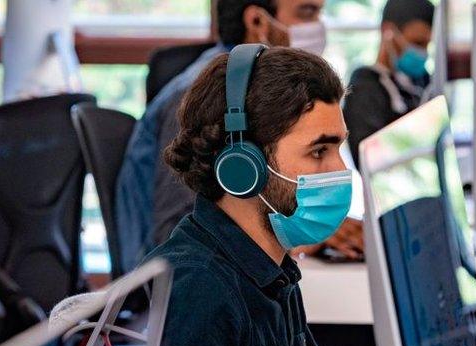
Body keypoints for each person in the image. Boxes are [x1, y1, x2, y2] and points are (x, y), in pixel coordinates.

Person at [145, 46, 406, 346]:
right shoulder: (195, 287)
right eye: (319, 150)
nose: (339, 170)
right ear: (241, 166)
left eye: (339, 148)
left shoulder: (270, 265)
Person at [113, 0, 364, 274]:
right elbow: (172, 235)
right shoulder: (209, 99)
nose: (318, 27)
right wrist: (291, 234)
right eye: (306, 12)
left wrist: (301, 225)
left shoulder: (262, 96)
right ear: (257, 22)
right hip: (163, 287)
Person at [343, 0, 434, 167]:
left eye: (428, 45)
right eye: (417, 43)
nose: (423, 53)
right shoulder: (364, 85)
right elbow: (368, 161)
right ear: (388, 31)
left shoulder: (425, 83)